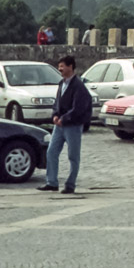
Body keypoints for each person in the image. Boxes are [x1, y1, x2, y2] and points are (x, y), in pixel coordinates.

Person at [37, 54, 92, 194]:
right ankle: (52, 182)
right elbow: (57, 103)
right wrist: (55, 115)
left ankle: (70, 184)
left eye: (62, 66)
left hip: (72, 126)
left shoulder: (79, 86)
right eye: (59, 66)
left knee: (73, 156)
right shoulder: (62, 83)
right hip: (59, 126)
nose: (59, 69)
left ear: (70, 67)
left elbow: (79, 108)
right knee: (51, 152)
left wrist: (64, 118)